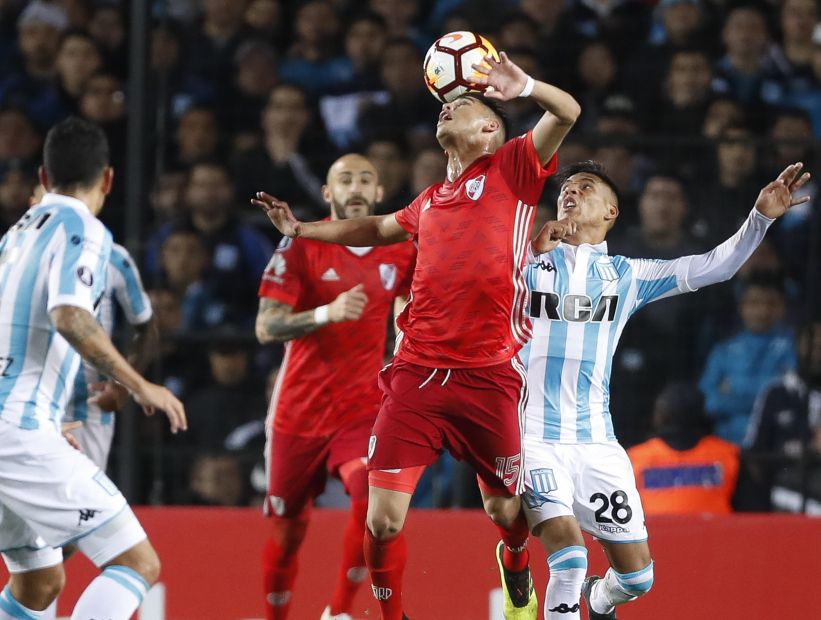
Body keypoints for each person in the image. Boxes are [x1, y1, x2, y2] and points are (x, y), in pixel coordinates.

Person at [254, 51, 581, 620]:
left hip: (489, 375)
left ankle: (514, 558)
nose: (448, 109)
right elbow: (375, 228)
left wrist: (523, 84)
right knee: (381, 520)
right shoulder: (429, 200)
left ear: (489, 129)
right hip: (417, 375)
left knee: (506, 513)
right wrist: (302, 228)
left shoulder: (513, 168)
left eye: (465, 105)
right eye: (445, 106)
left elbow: (568, 111)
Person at [519, 159, 810, 619]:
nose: (571, 193)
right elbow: (472, 278)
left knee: (638, 578)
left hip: (596, 442)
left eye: (586, 186)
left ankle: (599, 600)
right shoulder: (525, 264)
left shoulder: (627, 276)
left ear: (611, 212)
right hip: (531, 437)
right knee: (569, 557)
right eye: (566, 189)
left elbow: (715, 266)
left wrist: (760, 219)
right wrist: (528, 251)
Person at [0, 117, 186, 619]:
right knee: (138, 562)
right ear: (108, 179)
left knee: (39, 580)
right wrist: (139, 382)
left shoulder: (15, 235)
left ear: (43, 174)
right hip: (18, 430)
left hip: (18, 425)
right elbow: (69, 315)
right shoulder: (84, 227)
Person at [255, 153, 415, 620]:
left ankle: (340, 613)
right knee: (287, 534)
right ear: (328, 194)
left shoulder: (401, 247)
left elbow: (410, 293)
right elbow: (267, 327)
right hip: (298, 413)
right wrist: (327, 313)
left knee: (372, 498)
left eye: (366, 179)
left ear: (380, 193)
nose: (357, 187)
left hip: (361, 407)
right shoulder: (299, 246)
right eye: (345, 180)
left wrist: (404, 337)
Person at [63, 240, 157, 472]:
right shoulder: (14, 247)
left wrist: (124, 385)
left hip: (87, 408)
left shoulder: (112, 256)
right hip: (22, 401)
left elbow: (147, 328)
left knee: (80, 500)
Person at [699, 273, 797, 445]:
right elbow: (709, 402)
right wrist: (764, 395)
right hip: (728, 445)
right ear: (741, 307)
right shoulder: (723, 351)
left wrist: (733, 391)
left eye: (771, 303)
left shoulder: (794, 346)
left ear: (783, 307)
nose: (762, 311)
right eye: (754, 303)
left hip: (776, 446)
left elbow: (788, 400)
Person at [628, 382, 739, 515]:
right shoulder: (728, 455)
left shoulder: (634, 459)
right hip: (715, 534)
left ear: (659, 416)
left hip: (656, 534)